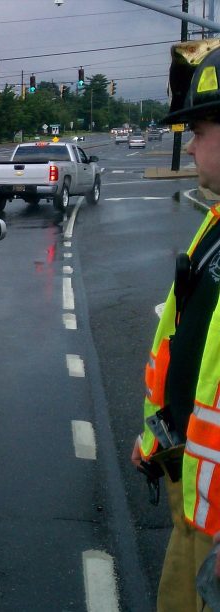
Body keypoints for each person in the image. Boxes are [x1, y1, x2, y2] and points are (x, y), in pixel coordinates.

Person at [131, 39, 220, 611]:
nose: (190, 146)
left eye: (200, 130)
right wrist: (156, 442)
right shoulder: (214, 225)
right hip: (195, 503)